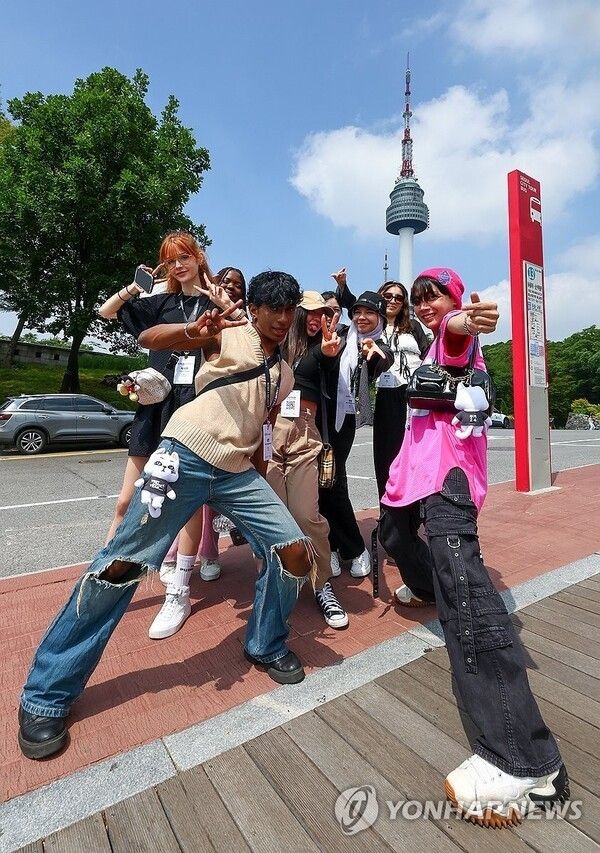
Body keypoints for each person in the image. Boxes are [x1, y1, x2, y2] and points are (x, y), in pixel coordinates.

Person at [18, 271, 314, 761]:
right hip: (187, 453)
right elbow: (150, 337)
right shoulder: (226, 328)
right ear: (255, 306)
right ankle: (46, 694)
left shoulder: (282, 370)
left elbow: (259, 431)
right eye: (273, 309)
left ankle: (265, 643)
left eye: (289, 311)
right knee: (122, 566)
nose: (282, 319)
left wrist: (261, 494)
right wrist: (193, 332)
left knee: (293, 552)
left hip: (239, 471)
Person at [379, 267, 568, 825]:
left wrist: (467, 320)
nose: (426, 304)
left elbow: (460, 330)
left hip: (449, 482)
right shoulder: (422, 346)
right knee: (396, 538)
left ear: (455, 299)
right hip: (416, 478)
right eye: (419, 298)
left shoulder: (453, 339)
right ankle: (426, 587)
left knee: (470, 602)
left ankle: (522, 755)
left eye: (435, 295)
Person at [98, 232, 214, 543]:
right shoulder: (161, 301)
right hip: (154, 400)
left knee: (188, 505)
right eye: (170, 261)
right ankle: (102, 572)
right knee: (125, 502)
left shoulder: (213, 303)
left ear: (198, 257)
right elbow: (106, 311)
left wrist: (220, 299)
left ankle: (181, 578)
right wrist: (135, 287)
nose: (178, 265)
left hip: (193, 406)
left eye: (184, 257)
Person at [268, 292, 348, 629]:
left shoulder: (322, 348)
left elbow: (329, 364)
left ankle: (321, 583)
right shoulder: (275, 345)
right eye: (310, 313)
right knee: (271, 516)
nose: (316, 319)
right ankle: (273, 584)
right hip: (267, 431)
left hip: (303, 430)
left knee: (305, 513)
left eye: (322, 314)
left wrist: (330, 353)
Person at [318, 290, 393, 578]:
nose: (362, 317)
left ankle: (351, 548)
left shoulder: (379, 343)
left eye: (369, 313)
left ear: (379, 317)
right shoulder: (340, 334)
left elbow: (381, 360)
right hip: (318, 413)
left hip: (344, 419)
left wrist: (373, 354)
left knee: (332, 481)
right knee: (323, 482)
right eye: (357, 312)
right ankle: (334, 547)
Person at [373, 281, 429, 499]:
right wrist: (343, 288)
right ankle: (387, 516)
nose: (393, 300)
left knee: (413, 455)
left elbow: (428, 354)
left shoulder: (413, 326)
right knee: (386, 457)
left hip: (413, 394)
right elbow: (353, 308)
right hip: (386, 393)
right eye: (388, 296)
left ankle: (411, 515)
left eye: (398, 297)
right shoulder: (373, 325)